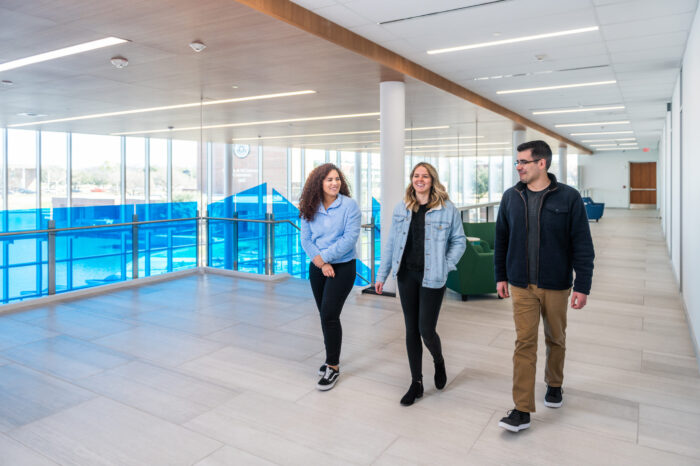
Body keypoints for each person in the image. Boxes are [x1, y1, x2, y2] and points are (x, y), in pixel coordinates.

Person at [495, 140, 594, 432]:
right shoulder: (511, 196)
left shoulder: (569, 197)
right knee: (524, 343)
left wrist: (583, 285)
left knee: (556, 338)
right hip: (521, 284)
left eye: (523, 161)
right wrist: (500, 275)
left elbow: (582, 245)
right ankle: (521, 409)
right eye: (517, 162)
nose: (518, 167)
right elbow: (502, 238)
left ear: (542, 163)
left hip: (556, 284)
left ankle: (554, 384)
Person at [375, 162, 466, 406]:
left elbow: (459, 241)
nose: (420, 179)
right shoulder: (402, 208)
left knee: (426, 329)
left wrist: (446, 265)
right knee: (411, 330)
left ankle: (438, 360)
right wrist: (382, 275)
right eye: (416, 175)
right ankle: (416, 383)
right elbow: (392, 243)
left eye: (425, 176)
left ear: (432, 180)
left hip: (433, 278)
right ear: (412, 180)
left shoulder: (447, 209)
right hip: (406, 276)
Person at [300, 163, 361, 391]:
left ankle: (333, 367)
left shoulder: (349, 206)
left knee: (329, 314)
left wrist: (323, 259)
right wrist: (320, 262)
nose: (334, 183)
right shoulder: (309, 206)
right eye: (329, 179)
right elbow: (305, 239)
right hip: (318, 267)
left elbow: (349, 239)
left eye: (337, 179)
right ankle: (329, 358)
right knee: (325, 316)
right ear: (319, 183)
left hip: (343, 267)